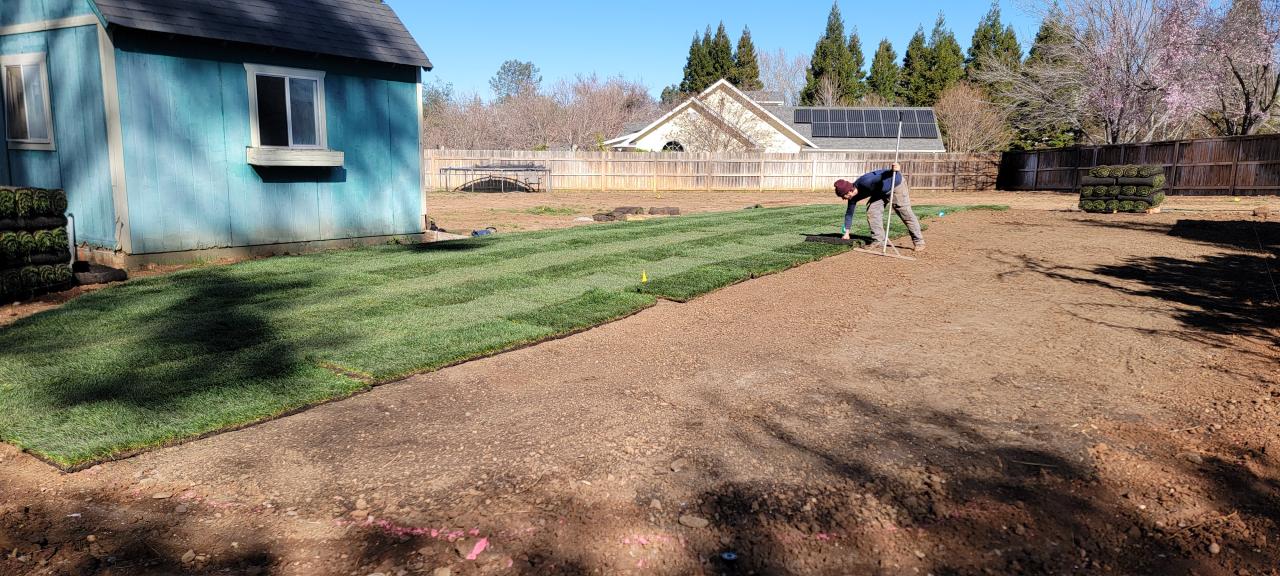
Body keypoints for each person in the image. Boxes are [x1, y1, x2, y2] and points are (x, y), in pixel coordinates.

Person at [834, 162, 925, 251]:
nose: (843, 199)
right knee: (873, 211)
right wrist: (846, 233)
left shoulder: (866, 182)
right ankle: (878, 240)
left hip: (895, 184)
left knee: (904, 212)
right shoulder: (852, 198)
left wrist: (894, 170)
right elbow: (849, 214)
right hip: (880, 192)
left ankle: (919, 241)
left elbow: (881, 175)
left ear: (849, 191)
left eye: (843, 196)